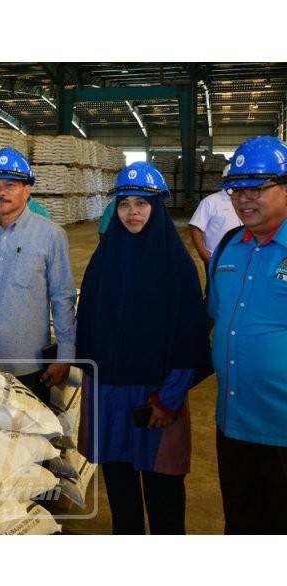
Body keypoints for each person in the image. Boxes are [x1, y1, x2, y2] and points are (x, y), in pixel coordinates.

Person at [76, 162, 211, 535]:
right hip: (111, 400)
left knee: (164, 495)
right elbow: (88, 329)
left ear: (157, 208)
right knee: (122, 501)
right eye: (124, 204)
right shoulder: (103, 264)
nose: (132, 212)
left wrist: (168, 399)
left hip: (156, 402)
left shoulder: (176, 267)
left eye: (142, 203)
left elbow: (189, 337)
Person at [208, 135, 287, 534]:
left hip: (281, 428)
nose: (243, 199)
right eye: (236, 189)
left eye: (256, 188)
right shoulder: (226, 248)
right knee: (240, 524)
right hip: (232, 424)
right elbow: (217, 320)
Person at [0, 147, 75, 401]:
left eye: (10, 185)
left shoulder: (51, 235)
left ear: (27, 189)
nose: (1, 192)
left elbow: (62, 298)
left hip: (28, 365)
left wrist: (65, 355)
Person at [189, 165, 242, 266]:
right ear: (224, 180)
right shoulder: (211, 202)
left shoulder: (246, 201)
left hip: (241, 257)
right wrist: (204, 254)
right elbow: (195, 227)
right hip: (215, 258)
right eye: (232, 179)